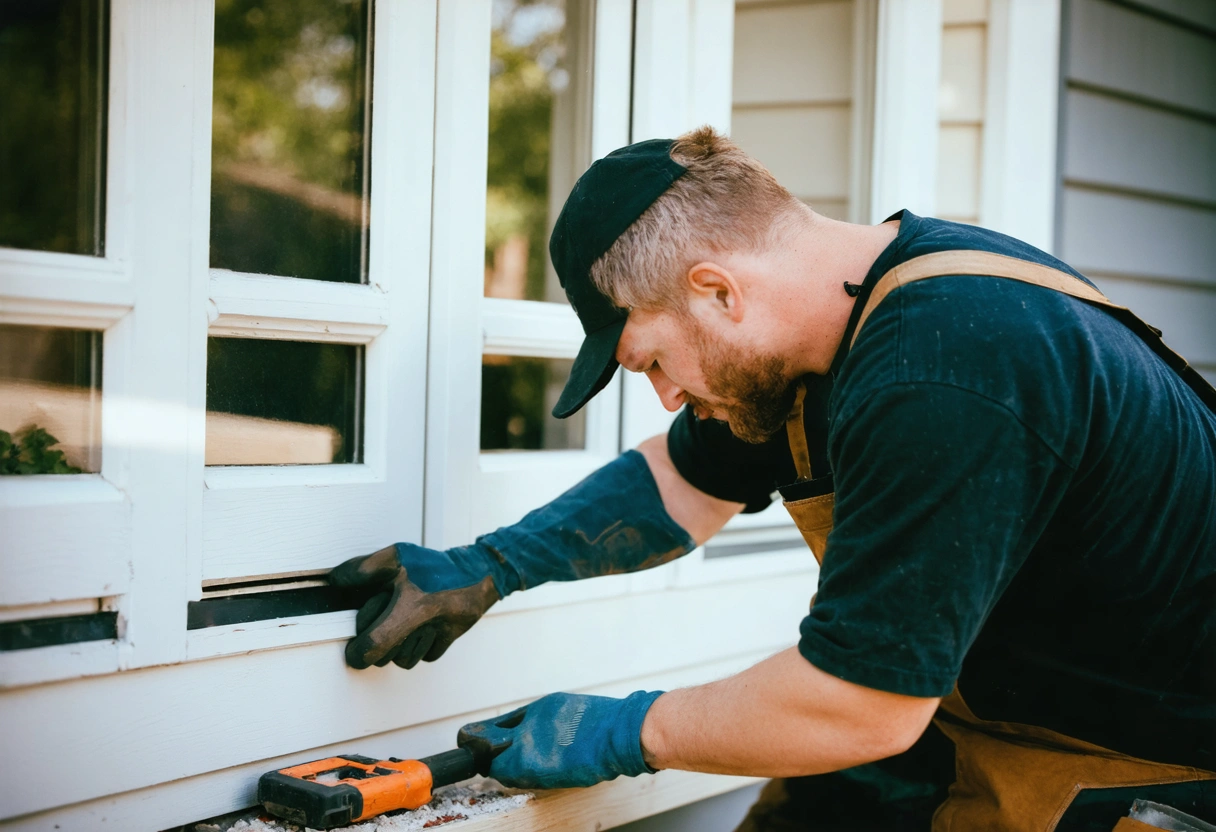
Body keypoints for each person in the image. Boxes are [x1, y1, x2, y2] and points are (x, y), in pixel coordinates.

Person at [330, 128, 1216, 831]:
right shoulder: (822, 334)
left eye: (651, 361)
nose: (668, 394)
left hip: (1145, 770)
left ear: (718, 290)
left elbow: (858, 707)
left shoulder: (948, 366)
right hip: (977, 721)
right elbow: (682, 482)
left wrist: (625, 730)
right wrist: (493, 565)